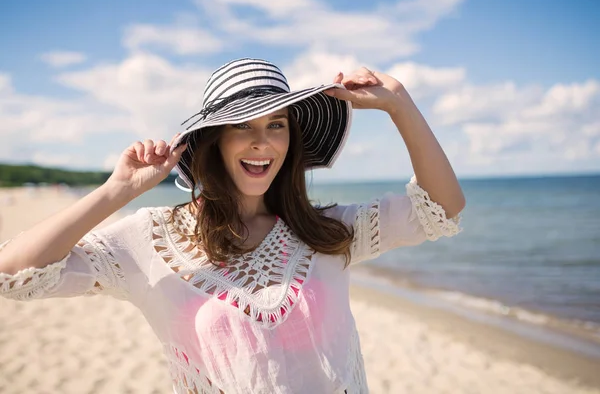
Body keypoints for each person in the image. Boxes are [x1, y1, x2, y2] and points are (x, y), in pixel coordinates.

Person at [0, 58, 465, 393]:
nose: (263, 142)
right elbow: (14, 274)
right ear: (214, 142)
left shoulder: (325, 231)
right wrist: (116, 192)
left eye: (278, 125)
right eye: (243, 125)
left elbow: (442, 209)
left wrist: (399, 104)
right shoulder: (152, 240)